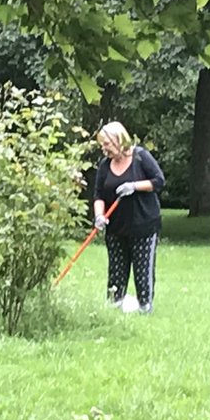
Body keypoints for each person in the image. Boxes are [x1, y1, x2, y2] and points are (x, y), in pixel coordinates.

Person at [92, 122, 166, 314]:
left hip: (144, 225)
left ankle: (145, 307)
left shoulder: (140, 157)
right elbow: (99, 195)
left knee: (143, 271)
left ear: (119, 140)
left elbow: (159, 181)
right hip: (116, 227)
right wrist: (99, 215)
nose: (104, 148)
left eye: (107, 143)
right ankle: (114, 307)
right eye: (103, 144)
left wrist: (134, 186)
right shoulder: (104, 165)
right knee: (116, 270)